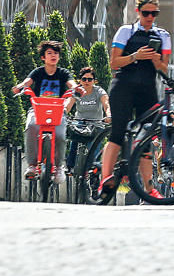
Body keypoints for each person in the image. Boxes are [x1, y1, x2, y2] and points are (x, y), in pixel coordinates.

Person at [101, 0, 171, 197]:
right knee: (117, 131)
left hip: (147, 89)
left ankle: (149, 189)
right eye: (146, 12)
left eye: (154, 13)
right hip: (123, 86)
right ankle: (105, 179)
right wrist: (135, 56)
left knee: (147, 137)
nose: (150, 17)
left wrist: (156, 61)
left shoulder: (163, 35)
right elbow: (114, 63)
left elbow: (164, 69)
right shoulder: (126, 31)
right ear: (138, 12)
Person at [12, 40, 76, 183]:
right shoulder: (38, 72)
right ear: (43, 57)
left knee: (60, 135)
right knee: (31, 127)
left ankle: (59, 167)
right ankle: (32, 166)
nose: (53, 56)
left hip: (58, 111)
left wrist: (76, 88)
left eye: (56, 53)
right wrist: (20, 86)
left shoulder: (63, 73)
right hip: (37, 110)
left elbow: (72, 83)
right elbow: (27, 81)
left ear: (59, 57)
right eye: (49, 53)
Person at [64, 66, 111, 172]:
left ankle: (93, 171)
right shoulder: (77, 91)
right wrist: (63, 113)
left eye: (90, 79)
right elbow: (68, 105)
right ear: (80, 81)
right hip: (80, 122)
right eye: (84, 79)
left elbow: (106, 105)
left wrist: (108, 115)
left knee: (94, 147)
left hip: (96, 124)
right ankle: (70, 167)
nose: (87, 81)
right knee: (74, 140)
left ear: (94, 81)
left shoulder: (99, 91)